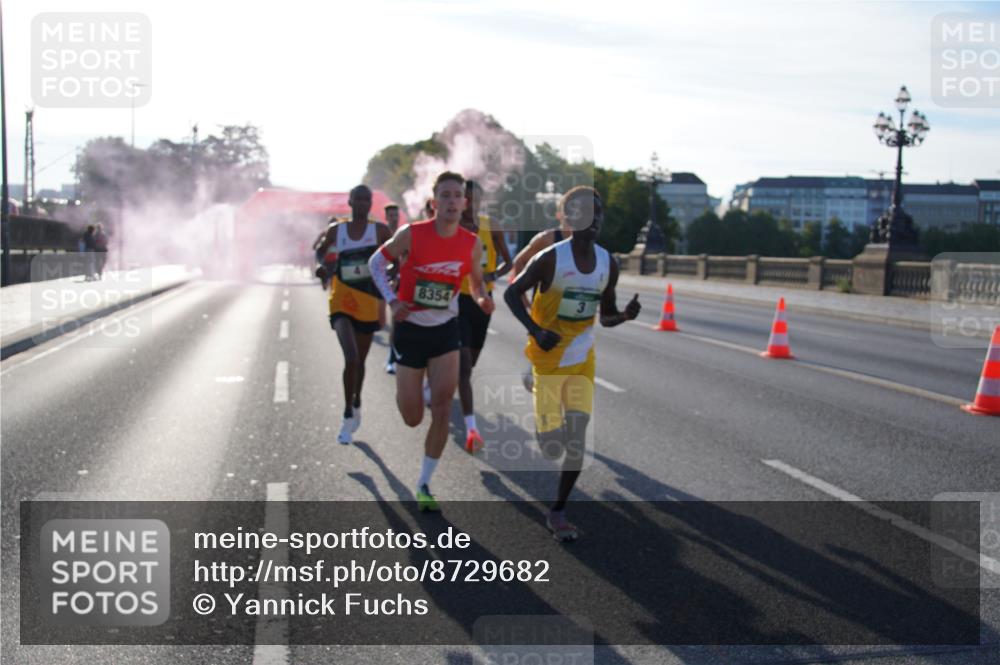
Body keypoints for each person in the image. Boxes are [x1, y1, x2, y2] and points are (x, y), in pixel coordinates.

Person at [504, 186, 640, 541]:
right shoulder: (550, 258)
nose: (591, 220)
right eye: (581, 212)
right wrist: (535, 329)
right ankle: (535, 385)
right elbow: (510, 292)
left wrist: (624, 315)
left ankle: (558, 510)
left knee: (577, 436)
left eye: (597, 213)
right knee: (551, 443)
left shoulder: (608, 262)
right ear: (566, 218)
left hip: (582, 358)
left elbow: (605, 317)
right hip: (547, 359)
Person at [368, 172, 494, 511]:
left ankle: (424, 483)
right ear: (435, 202)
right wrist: (392, 301)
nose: (452, 201)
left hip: (445, 331)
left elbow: (477, 283)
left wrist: (482, 299)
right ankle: (415, 392)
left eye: (458, 195)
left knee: (441, 408)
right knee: (411, 417)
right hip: (411, 331)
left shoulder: (471, 243)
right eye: (446, 195)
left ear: (464, 204)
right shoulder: (412, 234)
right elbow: (375, 263)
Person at [315, 186, 392, 444]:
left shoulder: (380, 230)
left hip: (368, 301)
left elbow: (398, 256)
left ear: (371, 203)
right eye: (356, 198)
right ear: (349, 202)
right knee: (351, 357)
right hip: (341, 300)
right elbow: (321, 250)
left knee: (360, 360)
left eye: (365, 199)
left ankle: (357, 400)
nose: (361, 203)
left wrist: (390, 277)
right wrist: (322, 267)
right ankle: (347, 413)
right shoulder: (337, 230)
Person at [456, 180, 512, 452]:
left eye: (473, 199)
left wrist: (492, 275)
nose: (468, 205)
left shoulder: (492, 226)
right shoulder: (452, 226)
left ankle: (446, 380)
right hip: (457, 302)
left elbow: (509, 263)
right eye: (464, 199)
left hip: (483, 302)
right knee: (464, 366)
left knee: (470, 363)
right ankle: (470, 427)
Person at [383, 203, 402, 375]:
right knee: (394, 323)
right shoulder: (383, 234)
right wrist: (389, 275)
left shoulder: (404, 232)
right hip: (390, 284)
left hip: (405, 281)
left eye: (396, 215)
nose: (394, 218)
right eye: (391, 215)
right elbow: (378, 261)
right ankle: (391, 357)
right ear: (386, 217)